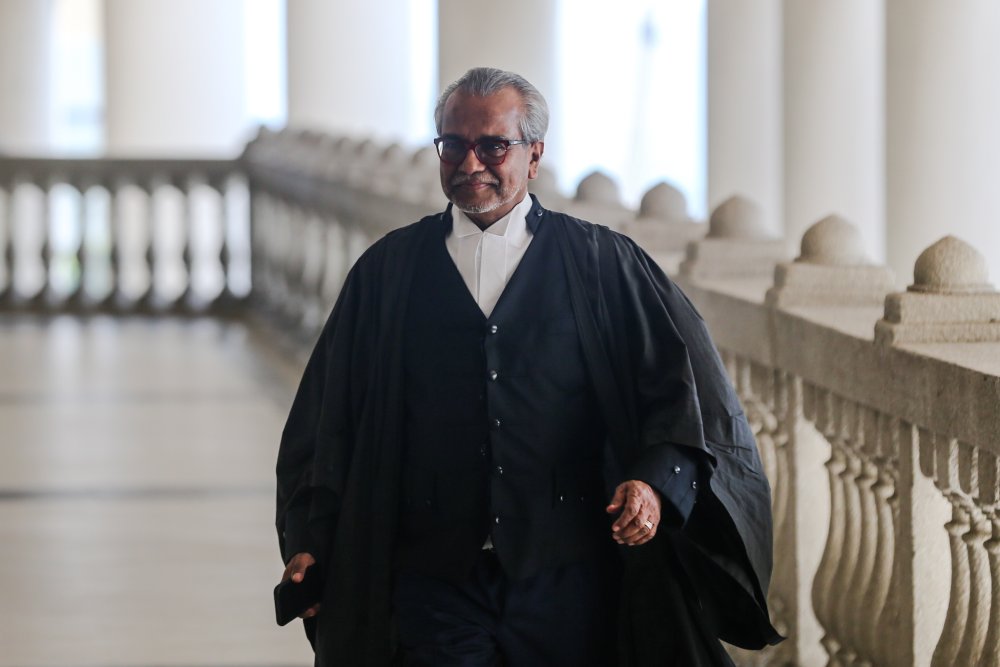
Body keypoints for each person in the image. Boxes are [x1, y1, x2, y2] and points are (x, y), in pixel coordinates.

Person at [276, 67, 781, 666]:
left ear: (534, 154)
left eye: (493, 145)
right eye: (453, 145)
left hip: (572, 578)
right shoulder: (387, 274)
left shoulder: (603, 266)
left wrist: (652, 485)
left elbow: (678, 398)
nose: (470, 164)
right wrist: (313, 541)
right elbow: (331, 420)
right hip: (432, 579)